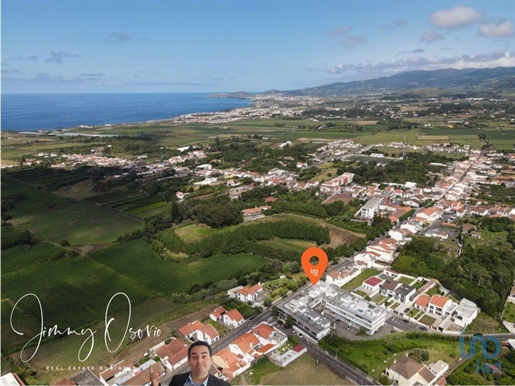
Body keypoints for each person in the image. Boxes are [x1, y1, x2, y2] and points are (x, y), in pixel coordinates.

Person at [150, 340, 230, 386]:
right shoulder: (177, 380)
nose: (199, 360)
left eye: (204, 356)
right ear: (189, 361)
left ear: (211, 359)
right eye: (195, 357)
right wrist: (155, 385)